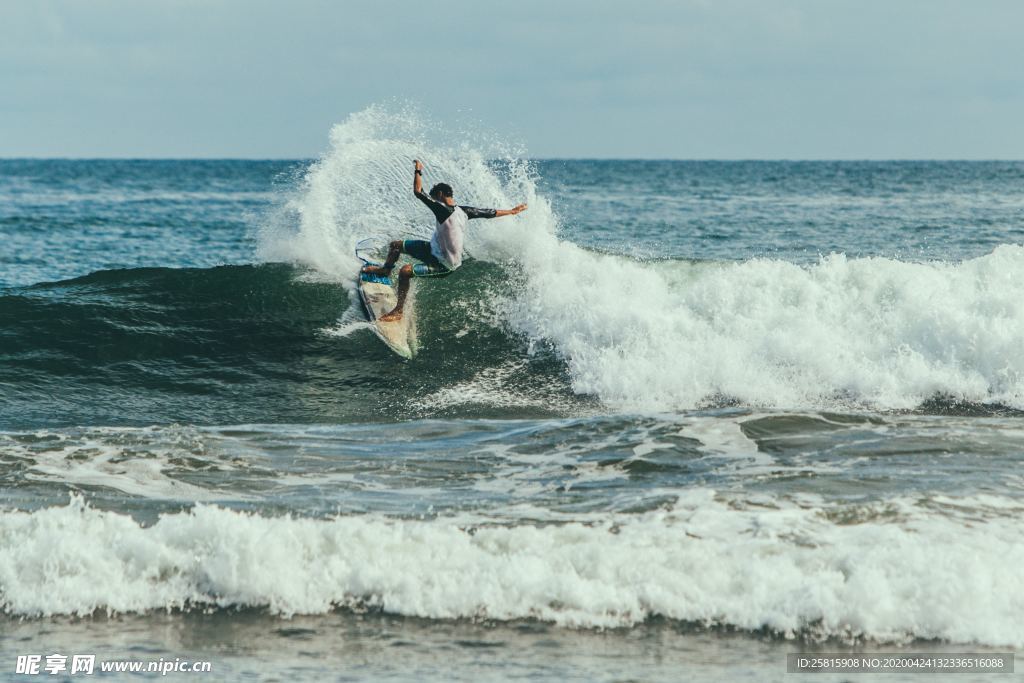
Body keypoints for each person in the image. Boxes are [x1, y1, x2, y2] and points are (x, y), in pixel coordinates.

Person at [361, 159, 527, 321]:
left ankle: (398, 311)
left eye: (435, 197)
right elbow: (488, 212)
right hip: (433, 249)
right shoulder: (464, 210)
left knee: (405, 271)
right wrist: (512, 211)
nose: (434, 200)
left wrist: (418, 169)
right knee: (396, 245)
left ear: (440, 195)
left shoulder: (443, 209)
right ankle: (385, 270)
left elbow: (418, 192)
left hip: (445, 264)